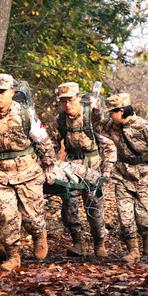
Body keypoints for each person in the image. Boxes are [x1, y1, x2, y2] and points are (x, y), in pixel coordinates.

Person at [0, 73, 57, 270]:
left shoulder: (25, 114)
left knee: (32, 218)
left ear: (12, 92)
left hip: (28, 173)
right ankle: (13, 255)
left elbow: (43, 141)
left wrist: (49, 167)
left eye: (2, 92)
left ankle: (39, 235)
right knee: (5, 215)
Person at [96, 92, 148, 262]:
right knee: (125, 217)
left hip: (145, 176)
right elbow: (94, 126)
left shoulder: (145, 127)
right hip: (122, 174)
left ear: (122, 111)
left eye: (112, 112)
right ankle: (133, 250)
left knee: (142, 216)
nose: (109, 116)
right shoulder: (110, 126)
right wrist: (93, 107)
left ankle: (147, 235)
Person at [54, 82, 116, 259]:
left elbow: (109, 145)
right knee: (68, 207)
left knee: (94, 209)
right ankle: (78, 243)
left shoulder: (91, 117)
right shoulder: (60, 119)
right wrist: (50, 163)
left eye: (71, 100)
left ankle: (99, 243)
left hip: (92, 166)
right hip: (71, 168)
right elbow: (52, 143)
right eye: (63, 101)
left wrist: (107, 170)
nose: (67, 105)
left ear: (79, 98)